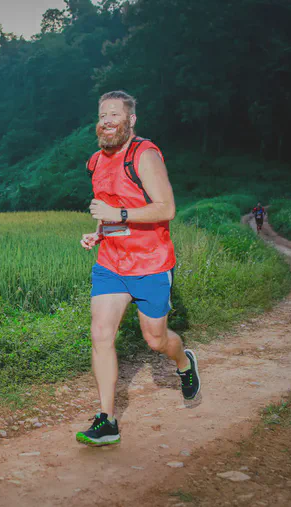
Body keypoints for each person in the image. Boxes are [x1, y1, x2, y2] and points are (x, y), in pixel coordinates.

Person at [76, 90, 201, 447]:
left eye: (116, 114)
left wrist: (118, 215)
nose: (108, 120)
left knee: (156, 339)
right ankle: (107, 419)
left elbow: (166, 209)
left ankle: (184, 362)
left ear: (131, 120)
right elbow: (114, 214)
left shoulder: (144, 154)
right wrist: (100, 233)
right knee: (100, 334)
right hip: (112, 264)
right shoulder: (95, 162)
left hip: (151, 264)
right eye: (103, 114)